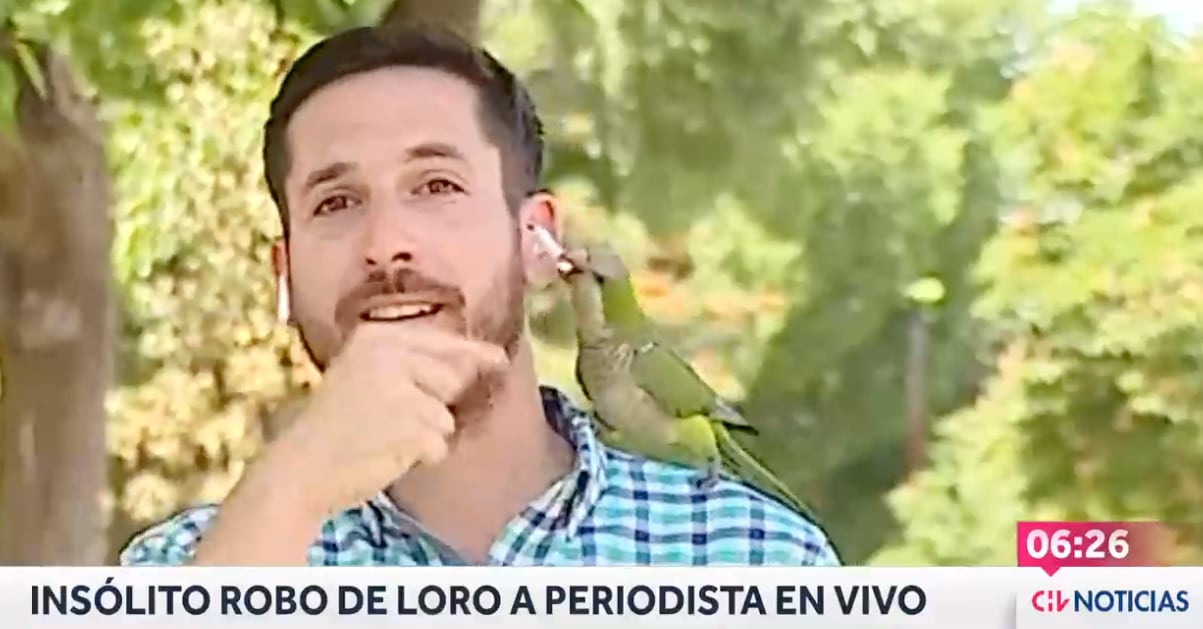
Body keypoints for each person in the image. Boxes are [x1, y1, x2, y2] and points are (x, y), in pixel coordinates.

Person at [119, 24, 841, 567]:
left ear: (536, 240)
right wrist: (288, 490)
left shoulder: (752, 558)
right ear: (284, 272)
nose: (385, 243)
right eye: (336, 202)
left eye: (436, 185)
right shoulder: (181, 568)